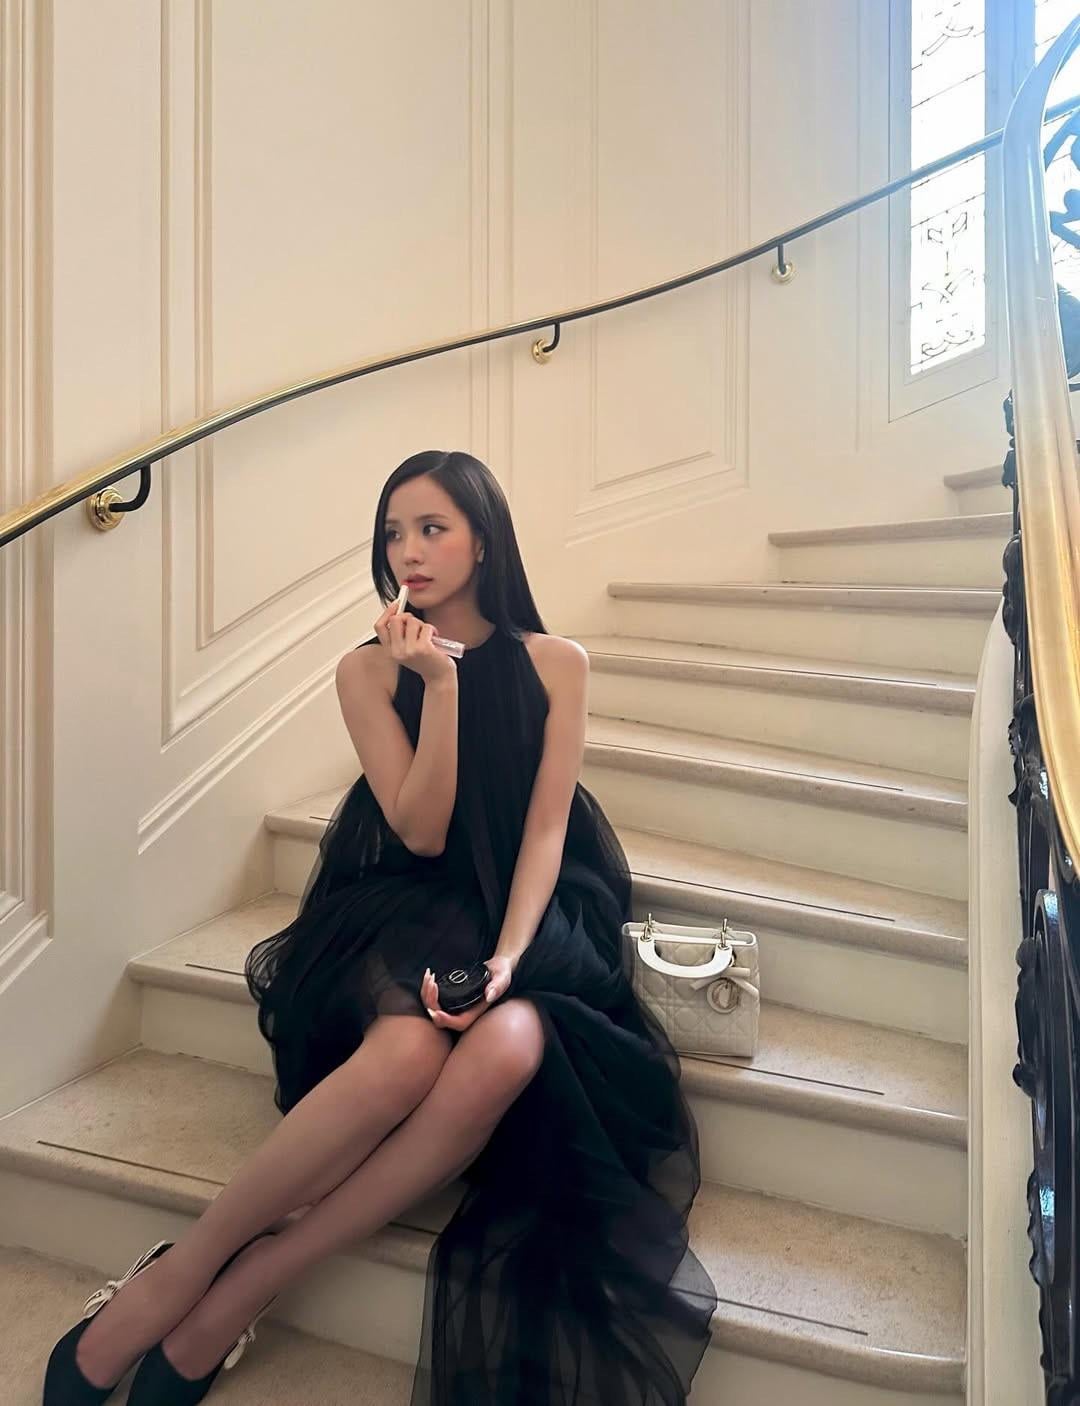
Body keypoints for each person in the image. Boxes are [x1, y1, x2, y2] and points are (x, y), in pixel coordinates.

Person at [48, 449, 718, 1406]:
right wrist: (438, 688)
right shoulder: (366, 671)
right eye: (394, 533)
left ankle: (252, 1280)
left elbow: (544, 830)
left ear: (482, 540)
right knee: (405, 1057)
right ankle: (178, 1275)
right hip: (408, 894)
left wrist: (509, 961)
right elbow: (421, 829)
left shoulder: (556, 664)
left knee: (508, 1048)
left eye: (433, 528)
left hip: (528, 906)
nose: (409, 551)